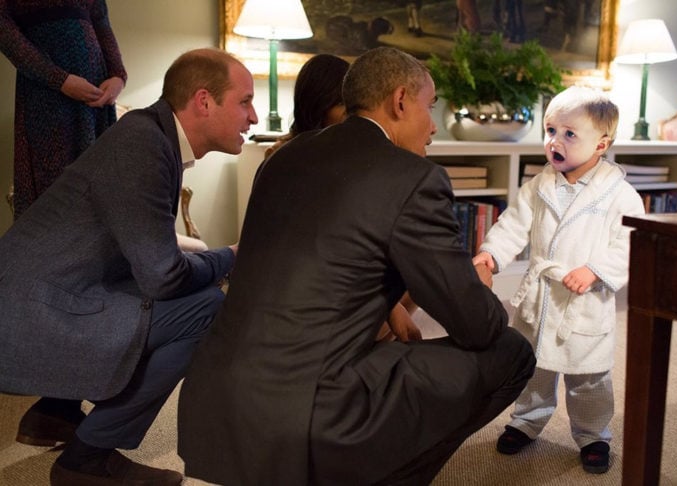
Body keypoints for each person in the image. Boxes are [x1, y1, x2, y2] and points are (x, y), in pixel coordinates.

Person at [178, 46, 536, 485]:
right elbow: (477, 326)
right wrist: (478, 287)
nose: (434, 125)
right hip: (307, 415)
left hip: (212, 400)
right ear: (401, 100)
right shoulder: (414, 179)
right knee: (512, 351)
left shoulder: (282, 158)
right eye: (431, 106)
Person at [0, 47, 258, 485]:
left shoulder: (149, 135)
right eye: (245, 101)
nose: (252, 118)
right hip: (32, 312)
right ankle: (87, 459)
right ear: (203, 101)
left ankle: (54, 413)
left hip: (44, 292)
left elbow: (144, 254)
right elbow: (164, 277)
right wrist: (231, 256)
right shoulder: (144, 145)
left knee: (173, 297)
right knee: (207, 308)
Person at [473, 86, 645, 474]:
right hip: (542, 295)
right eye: (551, 130)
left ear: (601, 145)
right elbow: (512, 224)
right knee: (534, 366)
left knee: (589, 377)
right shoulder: (538, 186)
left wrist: (597, 270)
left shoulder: (619, 195)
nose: (555, 141)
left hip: (585, 300)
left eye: (570, 134)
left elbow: (629, 241)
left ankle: (594, 434)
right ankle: (526, 421)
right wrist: (492, 254)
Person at [265, 52, 420, 342]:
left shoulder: (349, 154)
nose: (353, 116)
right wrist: (388, 306)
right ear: (319, 106)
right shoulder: (290, 158)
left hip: (335, 275)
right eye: (344, 106)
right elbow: (323, 254)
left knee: (411, 272)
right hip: (305, 286)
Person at [0, 0, 127, 219]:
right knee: (54, 191)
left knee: (100, 189)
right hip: (47, 99)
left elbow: (101, 22)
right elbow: (4, 31)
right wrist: (59, 80)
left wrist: (118, 76)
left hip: (96, 101)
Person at [264, 53, 350, 158]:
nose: (351, 112)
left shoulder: (357, 151)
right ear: (317, 105)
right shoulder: (280, 154)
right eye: (341, 103)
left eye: (353, 102)